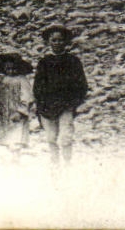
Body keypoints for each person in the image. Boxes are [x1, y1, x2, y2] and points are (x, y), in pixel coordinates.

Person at [34, 24, 89, 165]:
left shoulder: (73, 61)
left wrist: (74, 102)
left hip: (66, 104)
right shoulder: (44, 62)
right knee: (51, 137)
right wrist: (41, 104)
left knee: (66, 136)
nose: (57, 43)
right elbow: (38, 86)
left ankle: (67, 163)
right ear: (48, 42)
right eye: (54, 40)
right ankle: (55, 163)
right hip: (48, 105)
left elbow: (81, 84)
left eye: (60, 40)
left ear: (65, 42)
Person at [0, 52, 35, 157]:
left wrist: (21, 111)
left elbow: (27, 97)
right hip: (4, 112)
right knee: (6, 138)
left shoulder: (22, 80)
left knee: (17, 137)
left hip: (16, 113)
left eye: (14, 69)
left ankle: (16, 158)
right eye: (8, 68)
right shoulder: (2, 79)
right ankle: (9, 158)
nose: (11, 71)